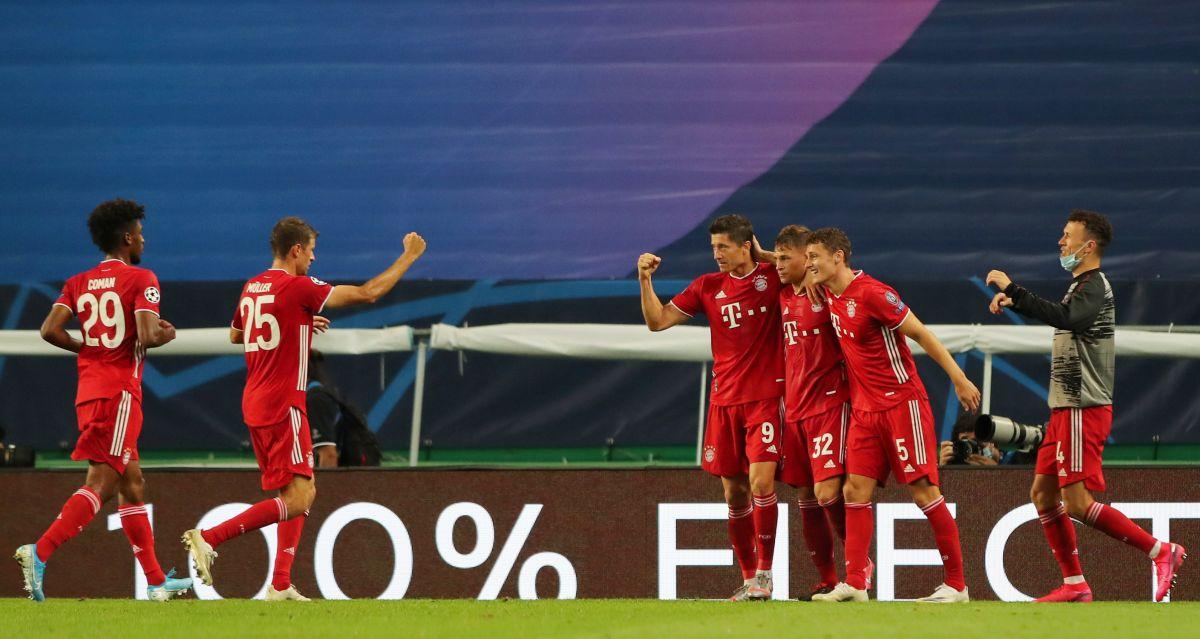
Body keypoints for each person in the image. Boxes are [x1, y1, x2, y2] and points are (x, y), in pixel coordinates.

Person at [182, 216, 425, 601]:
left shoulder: (253, 286)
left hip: (255, 402)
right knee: (300, 498)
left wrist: (295, 323)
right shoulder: (297, 287)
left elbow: (235, 334)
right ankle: (210, 537)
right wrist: (409, 257)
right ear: (296, 249)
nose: (314, 258)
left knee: (298, 488)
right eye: (311, 250)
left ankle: (279, 584)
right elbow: (368, 294)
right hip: (284, 403)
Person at [986, 209, 1184, 603]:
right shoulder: (1080, 286)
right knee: (1042, 495)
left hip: (1083, 408)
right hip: (1064, 409)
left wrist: (1017, 290)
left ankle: (1161, 551)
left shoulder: (1095, 286)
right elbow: (1062, 314)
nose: (1061, 242)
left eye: (1067, 235)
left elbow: (1068, 318)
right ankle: (1075, 584)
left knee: (1076, 502)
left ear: (1088, 245)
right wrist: (1017, 301)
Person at [14, 199, 192, 602]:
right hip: (119, 394)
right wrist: (168, 333)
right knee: (102, 482)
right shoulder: (142, 278)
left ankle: (156, 581)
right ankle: (39, 552)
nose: (144, 239)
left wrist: (88, 349)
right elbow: (147, 336)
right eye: (140, 233)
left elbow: (48, 330)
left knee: (133, 483)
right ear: (127, 237)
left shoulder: (78, 282)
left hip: (89, 391)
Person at [805, 227, 980, 603]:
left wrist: (959, 378)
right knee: (854, 490)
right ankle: (855, 583)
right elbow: (786, 261)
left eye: (815, 256)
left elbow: (921, 334)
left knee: (923, 492)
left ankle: (957, 585)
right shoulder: (827, 290)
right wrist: (765, 255)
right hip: (865, 412)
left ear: (838, 256)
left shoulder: (874, 294)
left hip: (903, 405)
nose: (809, 264)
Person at [638, 214, 785, 601]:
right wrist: (644, 280)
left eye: (723, 247)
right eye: (713, 247)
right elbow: (657, 322)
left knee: (761, 484)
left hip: (766, 399)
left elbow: (808, 270)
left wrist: (766, 255)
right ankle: (751, 578)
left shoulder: (773, 278)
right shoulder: (708, 286)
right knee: (734, 494)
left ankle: (767, 574)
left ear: (745, 245)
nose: (717, 254)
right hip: (724, 403)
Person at [772, 225, 856, 599]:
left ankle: (858, 568)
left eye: (785, 257)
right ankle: (827, 577)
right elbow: (773, 264)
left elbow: (841, 274)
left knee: (826, 492)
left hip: (829, 404)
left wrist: (811, 270)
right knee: (806, 496)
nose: (777, 264)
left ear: (809, 260)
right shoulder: (781, 294)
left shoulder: (824, 291)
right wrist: (772, 258)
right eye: (774, 257)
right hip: (794, 410)